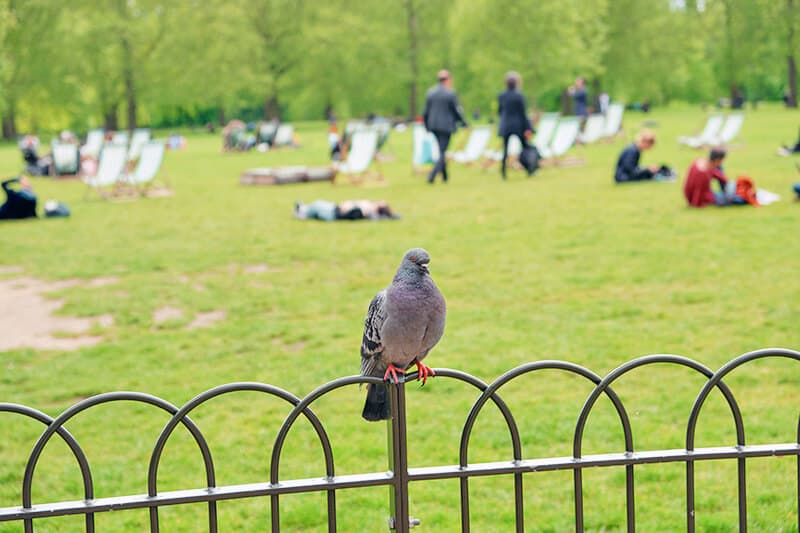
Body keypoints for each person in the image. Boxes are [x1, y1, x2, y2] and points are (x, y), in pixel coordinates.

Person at [423, 69, 468, 184]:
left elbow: (426, 112)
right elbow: (456, 111)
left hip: (433, 126)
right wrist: (464, 123)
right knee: (443, 151)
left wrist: (427, 125)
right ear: (447, 80)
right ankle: (432, 176)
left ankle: (445, 176)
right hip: (445, 126)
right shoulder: (450, 93)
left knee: (441, 150)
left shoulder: (431, 92)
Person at [497, 71, 534, 179]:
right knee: (525, 147)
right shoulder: (519, 96)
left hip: (506, 125)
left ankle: (503, 171)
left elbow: (500, 111)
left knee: (505, 149)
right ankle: (530, 168)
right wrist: (529, 128)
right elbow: (523, 113)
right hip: (518, 125)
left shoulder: (501, 96)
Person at [294, 200, 399, 221]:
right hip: (334, 209)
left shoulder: (366, 212)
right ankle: (302, 209)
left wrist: (349, 206)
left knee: (317, 205)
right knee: (318, 204)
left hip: (333, 214)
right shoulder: (368, 208)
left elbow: (349, 214)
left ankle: (301, 212)